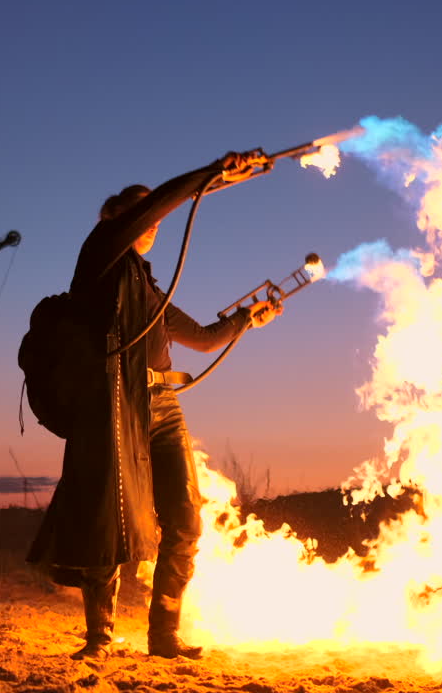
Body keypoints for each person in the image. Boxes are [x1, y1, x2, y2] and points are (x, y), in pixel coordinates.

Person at [27, 151, 281, 660]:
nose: (155, 223)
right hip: (116, 408)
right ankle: (98, 640)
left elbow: (206, 339)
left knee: (185, 520)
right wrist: (211, 173)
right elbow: (161, 203)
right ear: (119, 219)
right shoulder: (99, 257)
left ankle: (164, 636)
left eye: (156, 216)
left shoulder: (149, 290)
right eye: (145, 214)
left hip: (163, 407)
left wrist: (248, 319)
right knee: (110, 519)